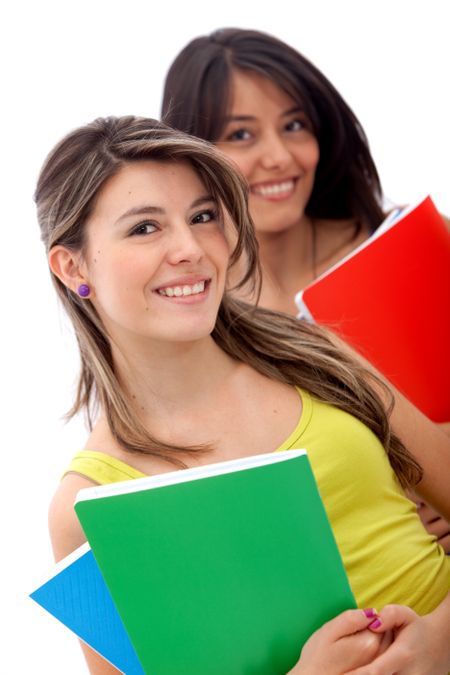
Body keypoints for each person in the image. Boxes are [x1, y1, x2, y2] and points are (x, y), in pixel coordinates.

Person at [37, 116, 450, 675]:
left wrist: (440, 639)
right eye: (145, 228)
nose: (190, 248)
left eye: (203, 217)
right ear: (72, 266)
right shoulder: (88, 505)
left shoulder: (315, 354)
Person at [161, 27, 450, 551]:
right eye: (241, 135)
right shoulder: (195, 313)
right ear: (191, 156)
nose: (279, 156)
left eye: (294, 125)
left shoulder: (416, 246)